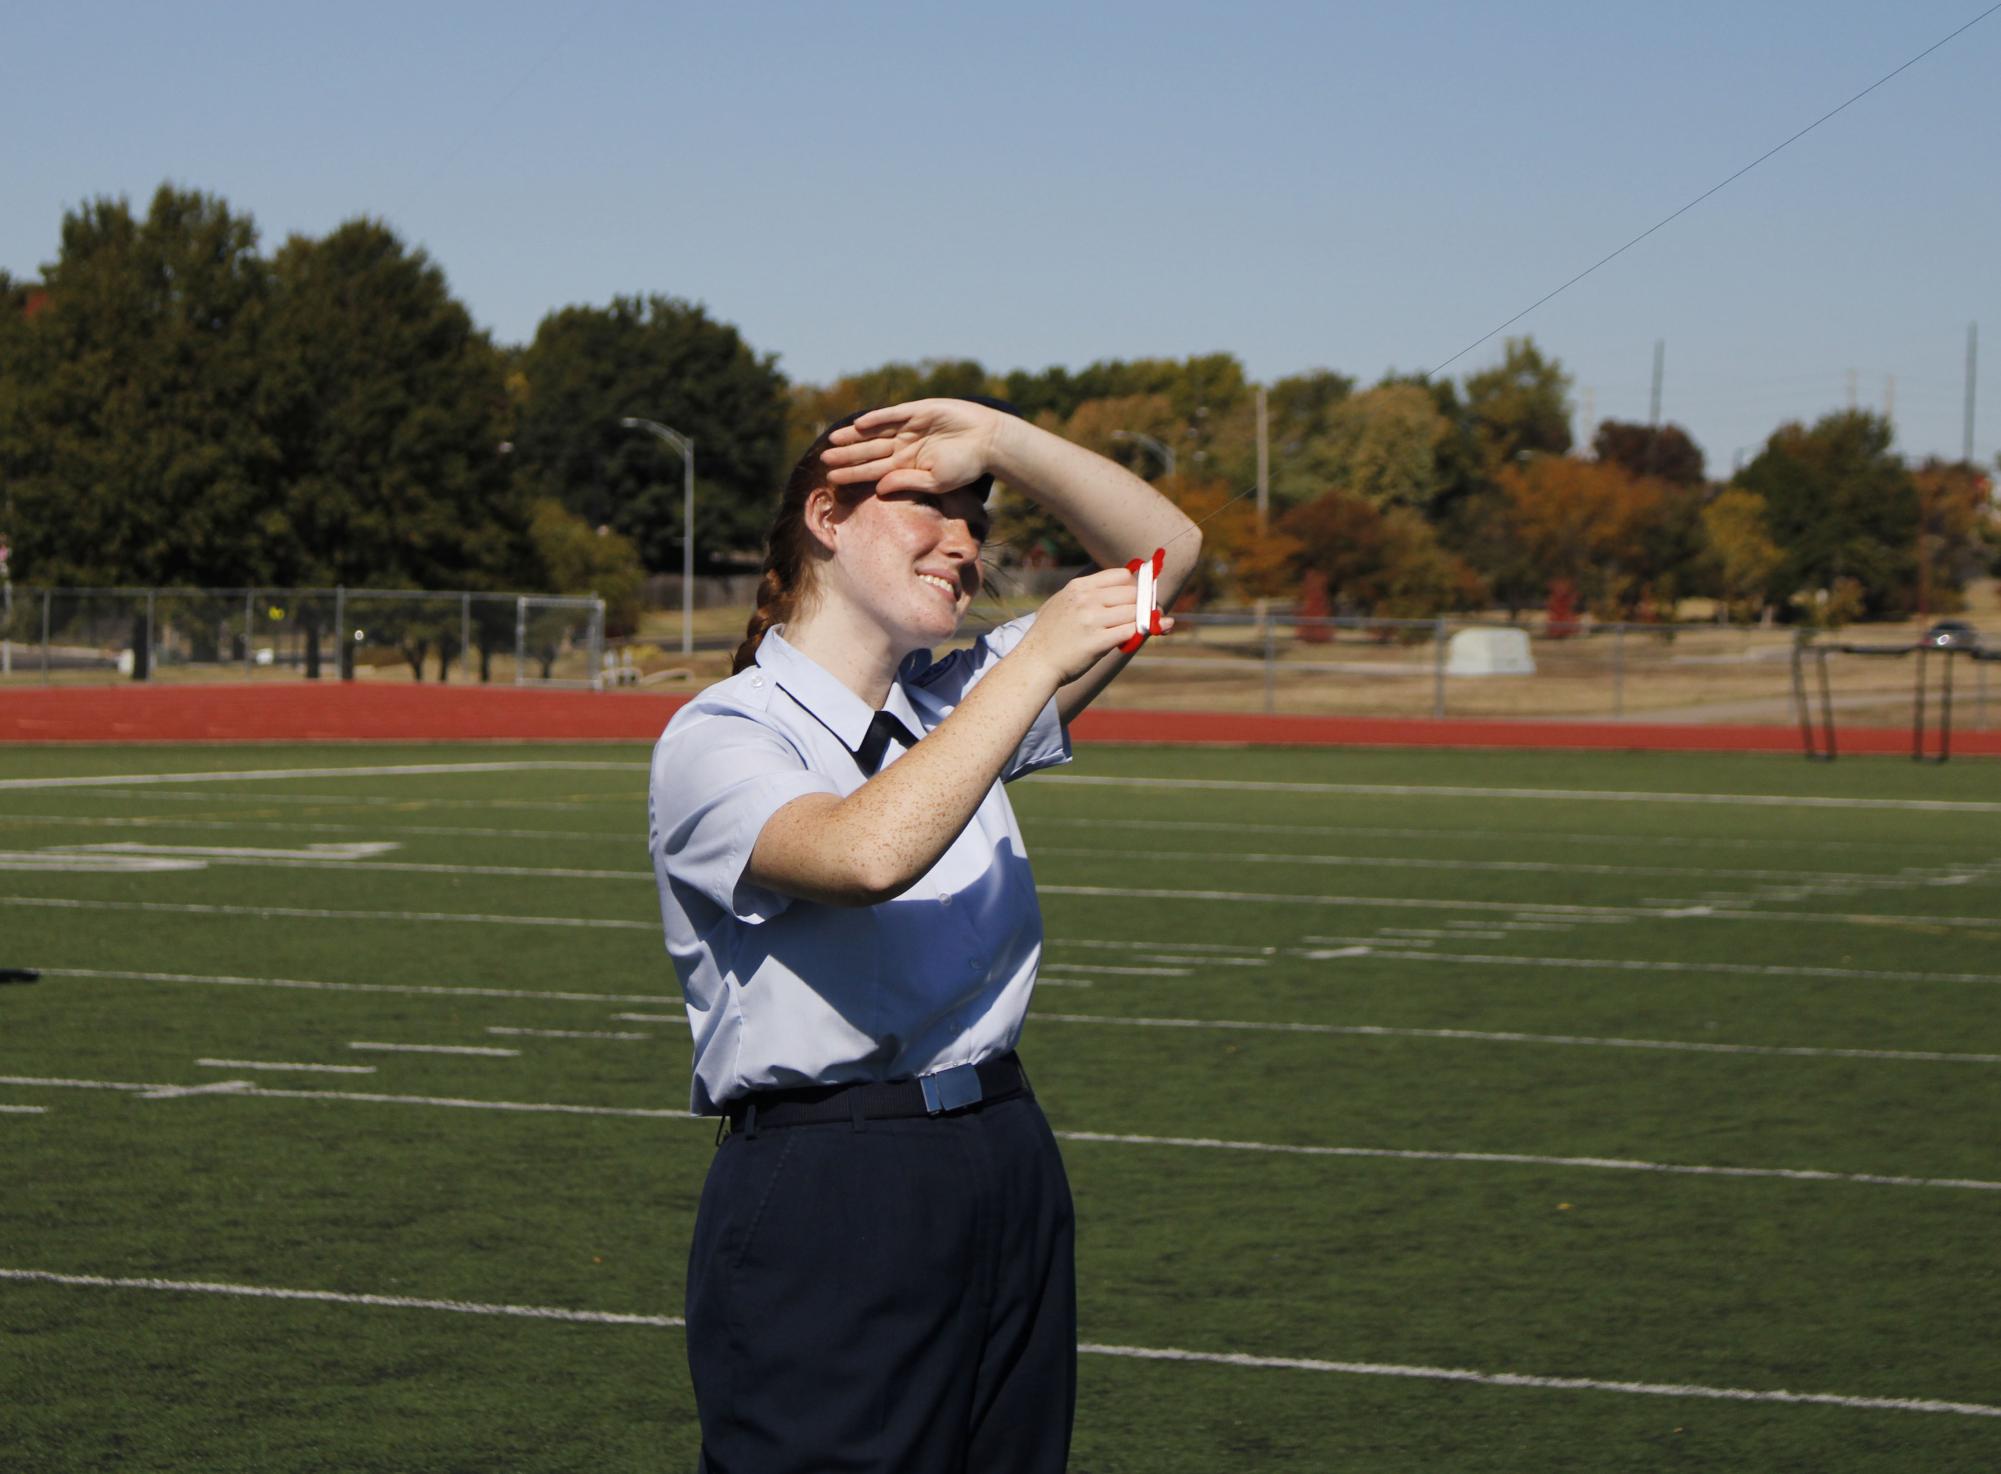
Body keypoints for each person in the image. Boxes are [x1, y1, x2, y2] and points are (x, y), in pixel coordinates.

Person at [648, 396, 1199, 1472]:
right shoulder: (720, 735)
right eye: (928, 506)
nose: (967, 541)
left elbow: (1165, 554)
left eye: (978, 516)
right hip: (832, 1177)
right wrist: (1032, 662)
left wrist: (997, 438)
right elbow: (863, 855)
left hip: (1002, 1150)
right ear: (825, 516)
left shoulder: (954, 700)